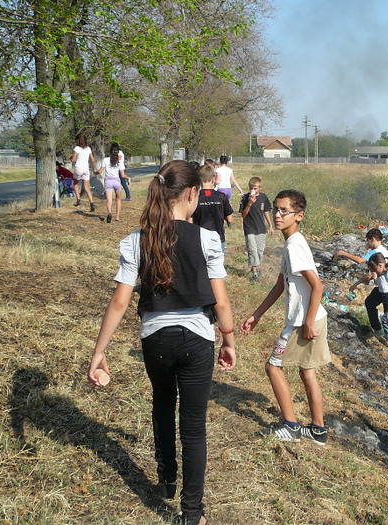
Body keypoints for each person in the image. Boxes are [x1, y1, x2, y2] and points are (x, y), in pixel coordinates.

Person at [87, 160, 236, 525]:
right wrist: (228, 340)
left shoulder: (138, 240)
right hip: (198, 338)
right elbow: (221, 301)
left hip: (154, 339)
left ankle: (166, 479)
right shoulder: (207, 238)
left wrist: (99, 351)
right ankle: (192, 513)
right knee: (194, 425)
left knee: (162, 405)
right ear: (191, 194)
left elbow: (120, 301)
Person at [241, 189, 331, 445]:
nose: (278, 215)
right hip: (309, 318)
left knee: (272, 367)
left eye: (284, 211)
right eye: (276, 209)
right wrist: (256, 315)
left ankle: (291, 426)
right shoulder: (291, 243)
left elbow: (318, 286)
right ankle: (318, 430)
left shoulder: (294, 245)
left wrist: (308, 322)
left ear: (299, 216)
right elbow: (281, 284)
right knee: (307, 372)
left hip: (304, 321)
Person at [337, 228, 388, 342]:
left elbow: (360, 260)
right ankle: (378, 330)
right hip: (381, 288)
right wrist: (356, 284)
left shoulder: (377, 252)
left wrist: (343, 253)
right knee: (370, 302)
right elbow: (373, 276)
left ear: (372, 239)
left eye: (368, 241)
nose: (367, 244)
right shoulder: (382, 251)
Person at [191, 163, 234, 252]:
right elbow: (230, 219)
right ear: (213, 179)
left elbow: (190, 221)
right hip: (218, 239)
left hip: (199, 239)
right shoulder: (221, 197)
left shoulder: (194, 198)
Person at [239, 176, 274, 281]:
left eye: (255, 188)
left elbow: (266, 211)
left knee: (259, 251)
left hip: (261, 228)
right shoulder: (245, 198)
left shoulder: (263, 197)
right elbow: (243, 214)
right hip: (249, 228)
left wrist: (270, 226)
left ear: (260, 187)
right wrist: (249, 204)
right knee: (252, 250)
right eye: (251, 188)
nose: (252, 191)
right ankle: (254, 272)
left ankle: (256, 267)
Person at [94, 143, 129, 223]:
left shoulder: (106, 160)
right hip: (116, 181)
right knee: (118, 199)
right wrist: (128, 178)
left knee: (109, 200)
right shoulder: (119, 162)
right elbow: (123, 175)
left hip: (108, 181)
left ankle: (109, 212)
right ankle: (117, 217)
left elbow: (100, 171)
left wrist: (95, 172)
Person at [69, 132, 95, 211]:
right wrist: (90, 167)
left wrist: (70, 158)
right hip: (86, 169)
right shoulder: (88, 148)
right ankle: (92, 204)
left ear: (78, 140)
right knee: (87, 188)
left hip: (79, 168)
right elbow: (93, 160)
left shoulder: (77, 148)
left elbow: (73, 159)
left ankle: (78, 199)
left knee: (76, 184)